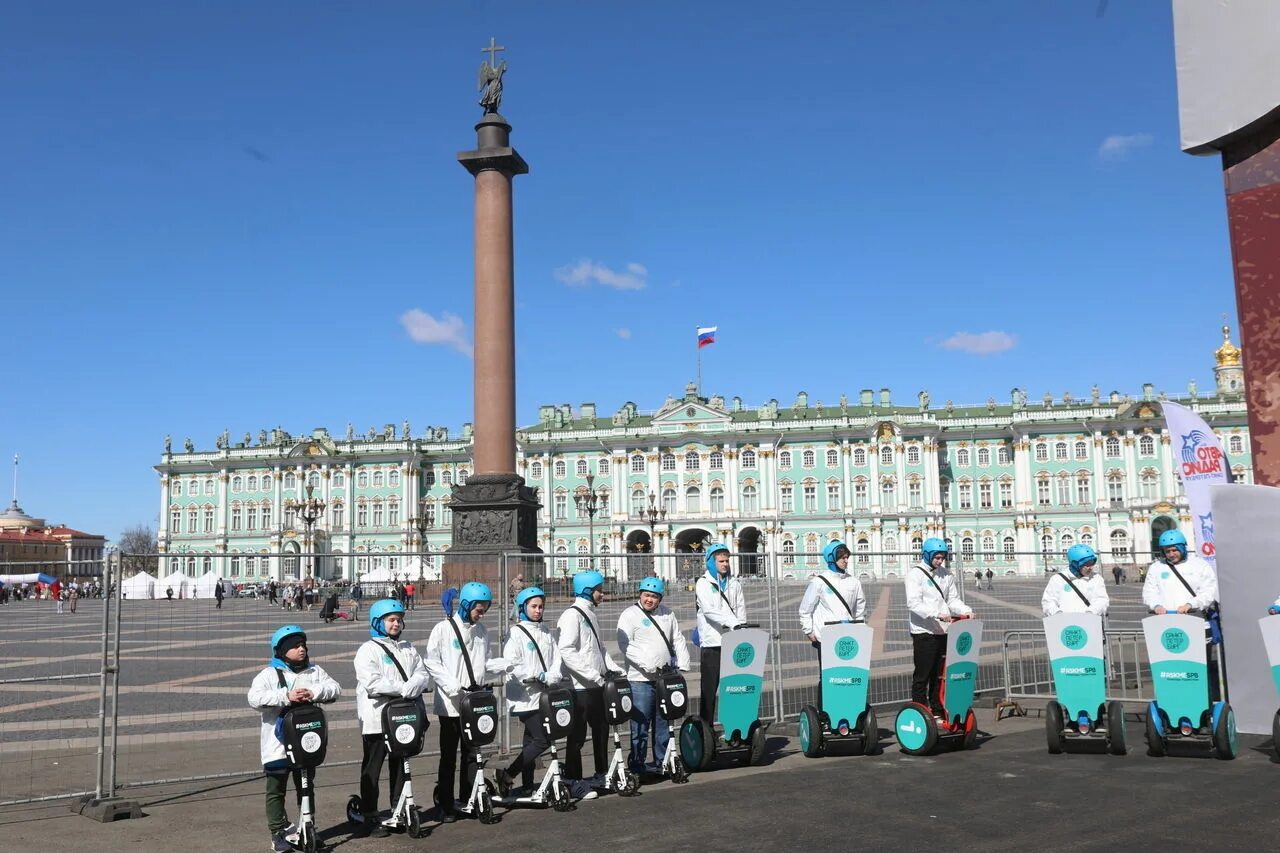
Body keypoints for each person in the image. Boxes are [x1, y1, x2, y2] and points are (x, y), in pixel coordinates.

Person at [247, 625, 342, 852]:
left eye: (303, 645)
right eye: (295, 646)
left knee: (306, 786)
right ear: (281, 651)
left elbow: (335, 688)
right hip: (277, 745)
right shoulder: (269, 674)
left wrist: (314, 692)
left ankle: (307, 826)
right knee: (276, 788)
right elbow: (254, 698)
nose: (301, 650)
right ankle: (278, 831)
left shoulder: (314, 670)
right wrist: (285, 696)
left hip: (306, 741)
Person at [423, 582, 511, 822]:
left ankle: (468, 797)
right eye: (478, 609)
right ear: (466, 605)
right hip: (452, 704)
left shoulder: (482, 631)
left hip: (474, 702)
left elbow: (486, 662)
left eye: (485, 609)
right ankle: (446, 804)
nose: (481, 614)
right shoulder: (443, 629)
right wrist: (453, 687)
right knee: (449, 755)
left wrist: (507, 665)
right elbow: (432, 662)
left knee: (473, 753)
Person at [353, 599, 430, 836]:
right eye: (391, 620)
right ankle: (370, 814)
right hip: (377, 718)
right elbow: (373, 683)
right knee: (373, 767)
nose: (397, 624)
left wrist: (414, 684)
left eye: (399, 620)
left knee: (400, 763)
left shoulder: (407, 647)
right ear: (378, 622)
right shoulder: (368, 649)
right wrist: (403, 688)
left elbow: (422, 672)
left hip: (403, 716)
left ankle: (399, 806)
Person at [616, 577, 690, 775]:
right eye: (647, 595)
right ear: (640, 594)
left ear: (660, 598)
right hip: (640, 679)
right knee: (640, 725)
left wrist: (683, 662)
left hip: (664, 679)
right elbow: (624, 644)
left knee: (663, 722)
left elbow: (677, 638)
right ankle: (637, 764)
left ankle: (662, 761)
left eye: (654, 597)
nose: (650, 600)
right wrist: (644, 663)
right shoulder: (629, 615)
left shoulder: (667, 614)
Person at [497, 587, 564, 796]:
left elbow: (556, 659)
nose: (538, 611)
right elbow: (512, 663)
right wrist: (533, 673)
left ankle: (527, 784)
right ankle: (509, 774)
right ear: (523, 608)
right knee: (542, 739)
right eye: (533, 606)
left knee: (530, 740)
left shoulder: (545, 631)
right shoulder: (515, 633)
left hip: (543, 694)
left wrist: (551, 675)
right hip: (524, 696)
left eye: (541, 606)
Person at [557, 569, 621, 784]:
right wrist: (592, 674)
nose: (602, 594)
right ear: (587, 591)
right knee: (577, 736)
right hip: (580, 686)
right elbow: (566, 650)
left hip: (596, 684)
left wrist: (613, 668)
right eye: (599, 590)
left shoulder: (591, 614)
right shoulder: (571, 615)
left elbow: (599, 648)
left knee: (601, 730)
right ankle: (573, 779)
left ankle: (601, 772)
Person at [1142, 529, 1221, 699]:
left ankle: (1203, 709)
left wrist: (1191, 604)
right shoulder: (1156, 568)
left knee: (1197, 670)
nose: (1171, 554)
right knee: (1171, 671)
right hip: (1167, 627)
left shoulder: (1199, 565)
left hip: (1197, 625)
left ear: (1183, 547)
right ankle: (1174, 706)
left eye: (1174, 550)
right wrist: (1155, 605)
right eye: (1167, 551)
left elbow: (1209, 591)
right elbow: (1149, 592)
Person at [906, 538, 974, 720]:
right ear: (927, 555)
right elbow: (913, 603)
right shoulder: (915, 574)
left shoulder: (946, 574)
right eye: (936, 557)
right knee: (923, 674)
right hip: (924, 632)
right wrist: (936, 613)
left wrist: (967, 611)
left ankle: (937, 709)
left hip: (943, 631)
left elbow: (952, 599)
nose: (939, 561)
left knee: (939, 674)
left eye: (942, 557)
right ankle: (919, 710)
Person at [694, 544, 747, 721]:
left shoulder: (734, 584)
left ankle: (733, 725)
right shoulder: (703, 583)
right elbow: (709, 611)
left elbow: (740, 608)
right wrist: (733, 623)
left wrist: (742, 628)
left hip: (732, 642)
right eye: (721, 561)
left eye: (727, 561)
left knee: (733, 687)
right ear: (711, 562)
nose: (725, 564)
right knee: (709, 689)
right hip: (712, 643)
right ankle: (706, 727)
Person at [799, 541, 866, 663]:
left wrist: (860, 629)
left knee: (847, 675)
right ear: (831, 558)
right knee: (827, 677)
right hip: (826, 636)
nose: (846, 560)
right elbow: (806, 609)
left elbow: (859, 609)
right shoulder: (819, 582)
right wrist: (808, 630)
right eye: (842, 558)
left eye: (847, 557)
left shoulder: (854, 582)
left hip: (848, 637)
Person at [1043, 544, 1110, 616]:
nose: (1090, 567)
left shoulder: (1096, 578)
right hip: (1065, 624)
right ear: (1075, 564)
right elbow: (1048, 601)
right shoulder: (1057, 579)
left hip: (1090, 623)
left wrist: (1091, 613)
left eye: (1092, 563)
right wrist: (1057, 614)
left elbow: (1102, 600)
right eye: (1086, 564)